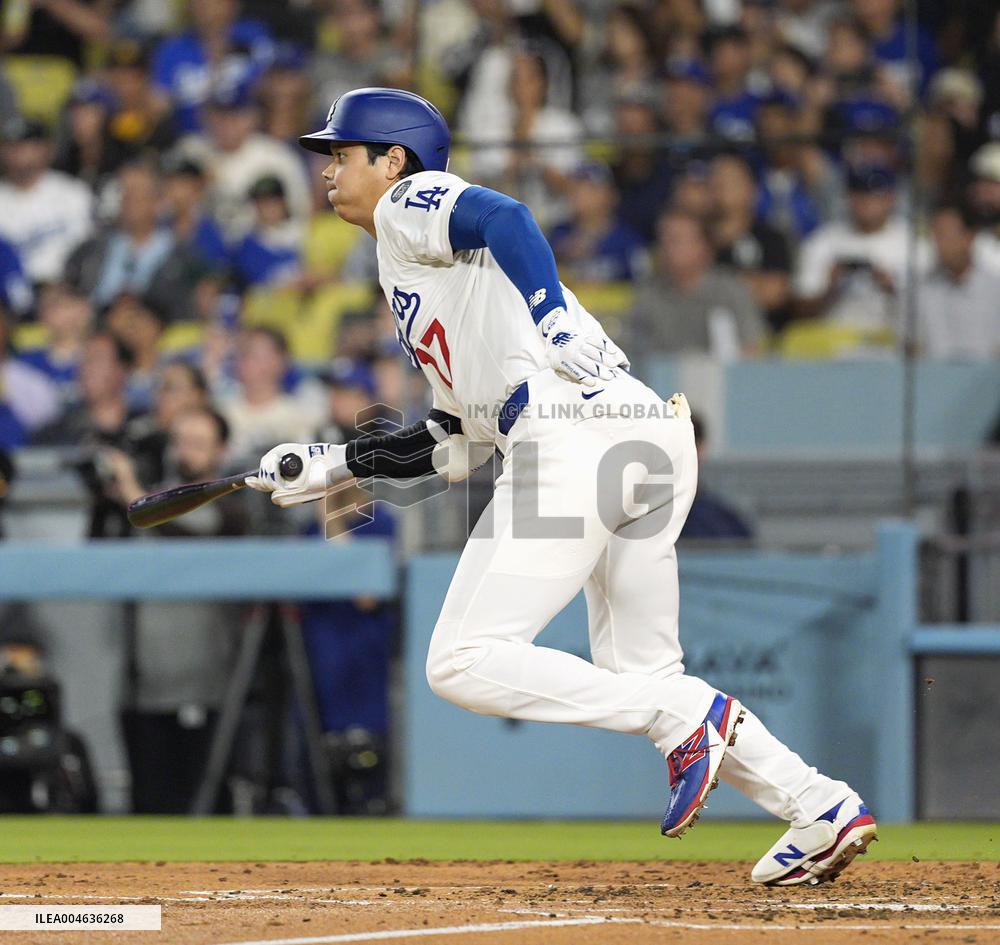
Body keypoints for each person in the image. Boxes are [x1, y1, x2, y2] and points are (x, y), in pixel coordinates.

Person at [246, 87, 877, 886]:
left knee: (462, 659)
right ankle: (819, 804)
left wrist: (553, 314)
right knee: (648, 674)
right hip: (642, 438)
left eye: (341, 154)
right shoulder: (413, 265)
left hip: (572, 439)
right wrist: (337, 465)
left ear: (393, 159)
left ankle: (688, 721)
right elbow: (450, 438)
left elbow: (508, 216)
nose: (328, 172)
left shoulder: (408, 203)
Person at [626, 209, 768, 361]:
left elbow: (752, 351)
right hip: (660, 382)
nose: (665, 248)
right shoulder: (648, 295)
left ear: (703, 247)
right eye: (662, 240)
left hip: (726, 380)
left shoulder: (732, 290)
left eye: (675, 240)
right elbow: (635, 356)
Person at [0, 117, 94, 287]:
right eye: (12, 145)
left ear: (48, 149)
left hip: (71, 287)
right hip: (15, 297)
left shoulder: (73, 193)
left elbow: (89, 252)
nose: (20, 152)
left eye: (28, 144)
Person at [917, 204, 1000, 359]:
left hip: (987, 380)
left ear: (969, 238)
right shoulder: (921, 289)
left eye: (944, 235)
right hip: (934, 378)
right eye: (934, 236)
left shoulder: (995, 290)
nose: (938, 244)